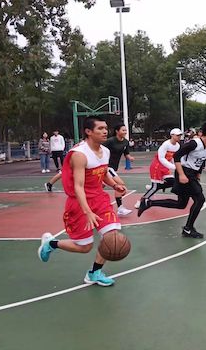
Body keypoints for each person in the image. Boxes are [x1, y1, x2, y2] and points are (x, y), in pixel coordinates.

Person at [37, 116, 130, 287]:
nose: (105, 131)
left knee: (111, 236)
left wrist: (114, 185)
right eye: (100, 128)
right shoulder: (80, 155)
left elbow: (103, 174)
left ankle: (94, 273)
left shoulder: (105, 151)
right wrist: (88, 212)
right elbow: (78, 186)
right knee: (84, 247)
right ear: (88, 131)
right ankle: (51, 243)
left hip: (99, 199)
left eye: (105, 128)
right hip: (79, 203)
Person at [138, 122, 206, 238]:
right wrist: (181, 174)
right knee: (200, 199)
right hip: (184, 172)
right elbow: (176, 156)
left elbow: (201, 161)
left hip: (192, 173)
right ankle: (188, 228)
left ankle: (149, 203)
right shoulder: (194, 143)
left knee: (181, 204)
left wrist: (198, 174)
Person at [135, 129, 182, 209]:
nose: (179, 137)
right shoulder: (165, 145)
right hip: (156, 167)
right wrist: (173, 167)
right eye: (177, 135)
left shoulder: (178, 146)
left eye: (180, 135)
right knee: (155, 187)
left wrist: (176, 165)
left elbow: (174, 158)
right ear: (172, 135)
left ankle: (155, 186)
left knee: (173, 182)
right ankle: (141, 201)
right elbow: (161, 158)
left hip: (165, 168)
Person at [104, 124, 135, 216]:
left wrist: (130, 157)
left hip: (114, 168)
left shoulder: (125, 142)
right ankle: (120, 209)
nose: (125, 132)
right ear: (117, 131)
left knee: (102, 186)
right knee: (121, 185)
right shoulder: (110, 141)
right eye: (123, 130)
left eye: (126, 130)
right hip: (107, 166)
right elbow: (99, 149)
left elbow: (126, 153)